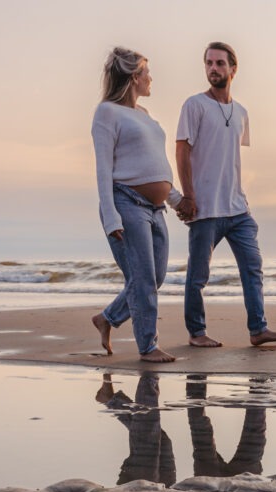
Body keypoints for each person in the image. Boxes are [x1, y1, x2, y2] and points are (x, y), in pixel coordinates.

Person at [175, 41, 276, 348]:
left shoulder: (241, 113)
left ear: (233, 69)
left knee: (252, 268)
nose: (213, 68)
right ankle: (196, 333)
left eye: (219, 63)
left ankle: (258, 329)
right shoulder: (194, 105)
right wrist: (188, 196)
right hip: (204, 210)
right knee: (198, 277)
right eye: (209, 63)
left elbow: (230, 159)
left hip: (238, 210)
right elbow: (182, 151)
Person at [91, 46, 185, 363]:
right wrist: (110, 217)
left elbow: (156, 164)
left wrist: (175, 199)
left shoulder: (143, 115)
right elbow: (103, 170)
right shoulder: (107, 113)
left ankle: (107, 319)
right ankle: (148, 346)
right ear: (134, 77)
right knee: (143, 279)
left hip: (155, 209)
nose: (151, 78)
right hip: (126, 203)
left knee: (154, 277)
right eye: (147, 72)